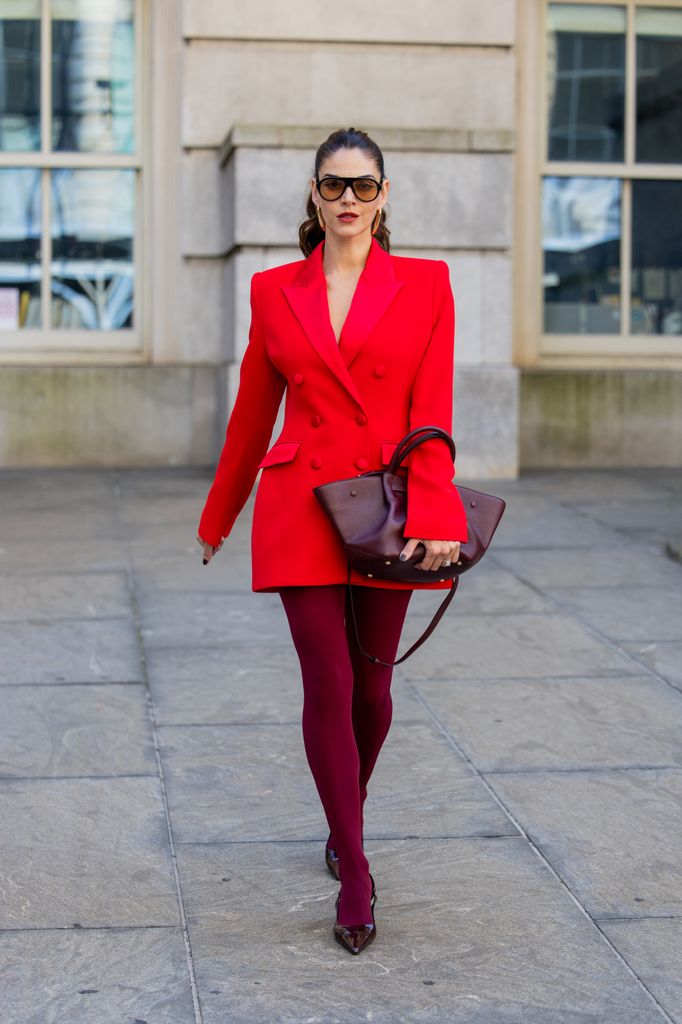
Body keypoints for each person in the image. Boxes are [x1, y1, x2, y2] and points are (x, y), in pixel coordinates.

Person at [196, 127, 468, 956]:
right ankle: (354, 865)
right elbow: (251, 414)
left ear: (385, 196)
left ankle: (341, 822)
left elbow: (434, 411)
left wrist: (437, 513)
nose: (348, 201)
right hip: (303, 503)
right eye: (332, 186)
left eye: (363, 187)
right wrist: (220, 514)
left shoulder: (427, 286)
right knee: (325, 680)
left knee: (372, 694)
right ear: (313, 196)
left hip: (387, 507)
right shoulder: (276, 290)